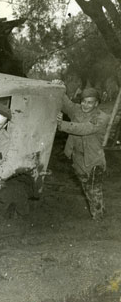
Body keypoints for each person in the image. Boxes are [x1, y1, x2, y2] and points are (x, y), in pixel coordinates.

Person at [57, 87, 109, 221]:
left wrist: (61, 124)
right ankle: (100, 211)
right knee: (86, 188)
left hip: (93, 161)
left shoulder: (101, 117)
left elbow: (84, 128)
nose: (85, 105)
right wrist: (60, 87)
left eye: (90, 102)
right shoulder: (77, 110)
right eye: (84, 102)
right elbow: (65, 103)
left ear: (96, 103)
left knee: (94, 190)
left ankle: (98, 220)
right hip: (78, 159)